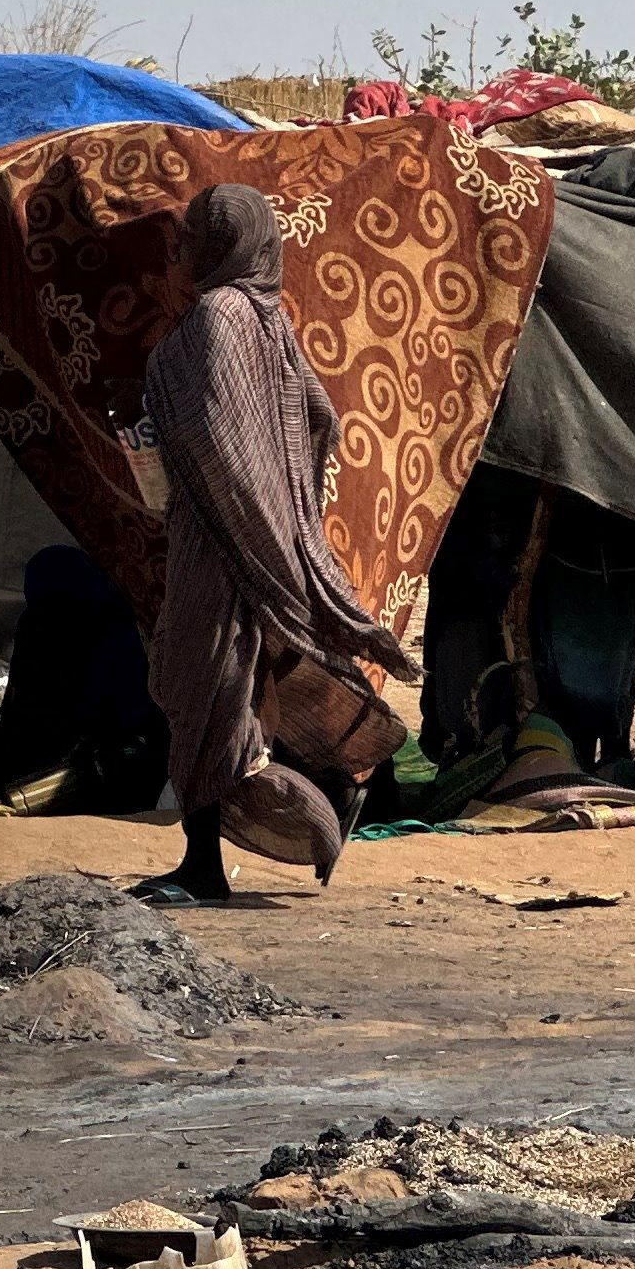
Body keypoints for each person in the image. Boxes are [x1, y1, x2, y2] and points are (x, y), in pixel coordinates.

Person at [134, 184, 417, 904]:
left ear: (223, 245)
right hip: (259, 529)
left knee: (204, 689)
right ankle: (335, 784)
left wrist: (234, 502)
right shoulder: (267, 318)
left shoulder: (219, 315)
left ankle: (204, 868)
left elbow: (213, 436)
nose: (179, 250)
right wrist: (288, 504)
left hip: (220, 539)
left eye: (193, 237)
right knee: (233, 687)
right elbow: (320, 417)